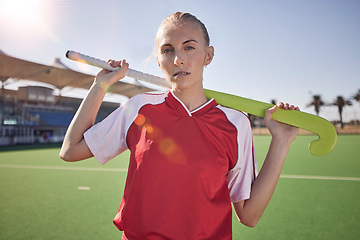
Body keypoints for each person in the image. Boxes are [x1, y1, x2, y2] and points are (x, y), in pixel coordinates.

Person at [60, 12, 300, 240]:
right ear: (158, 60)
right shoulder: (139, 108)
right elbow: (71, 150)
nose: (178, 59)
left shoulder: (236, 124)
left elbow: (249, 215)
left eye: (189, 47)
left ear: (208, 55)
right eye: (167, 50)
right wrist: (100, 85)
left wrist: (281, 141)